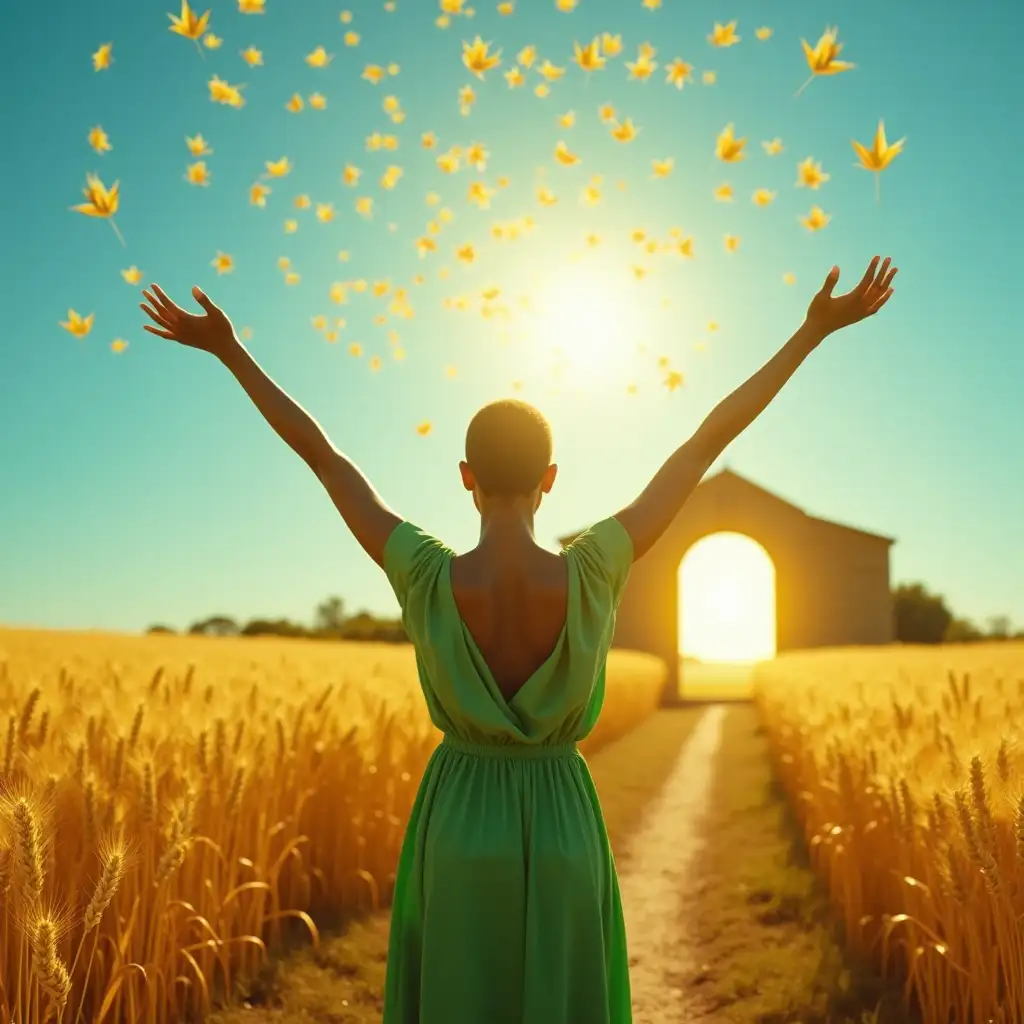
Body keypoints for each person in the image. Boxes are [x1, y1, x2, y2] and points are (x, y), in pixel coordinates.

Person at [140, 255, 896, 1022]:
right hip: (561, 817)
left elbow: (326, 460)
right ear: (552, 478)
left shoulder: (425, 576)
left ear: (466, 477)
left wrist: (231, 350)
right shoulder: (596, 566)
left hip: (456, 821)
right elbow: (703, 446)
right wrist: (810, 334)